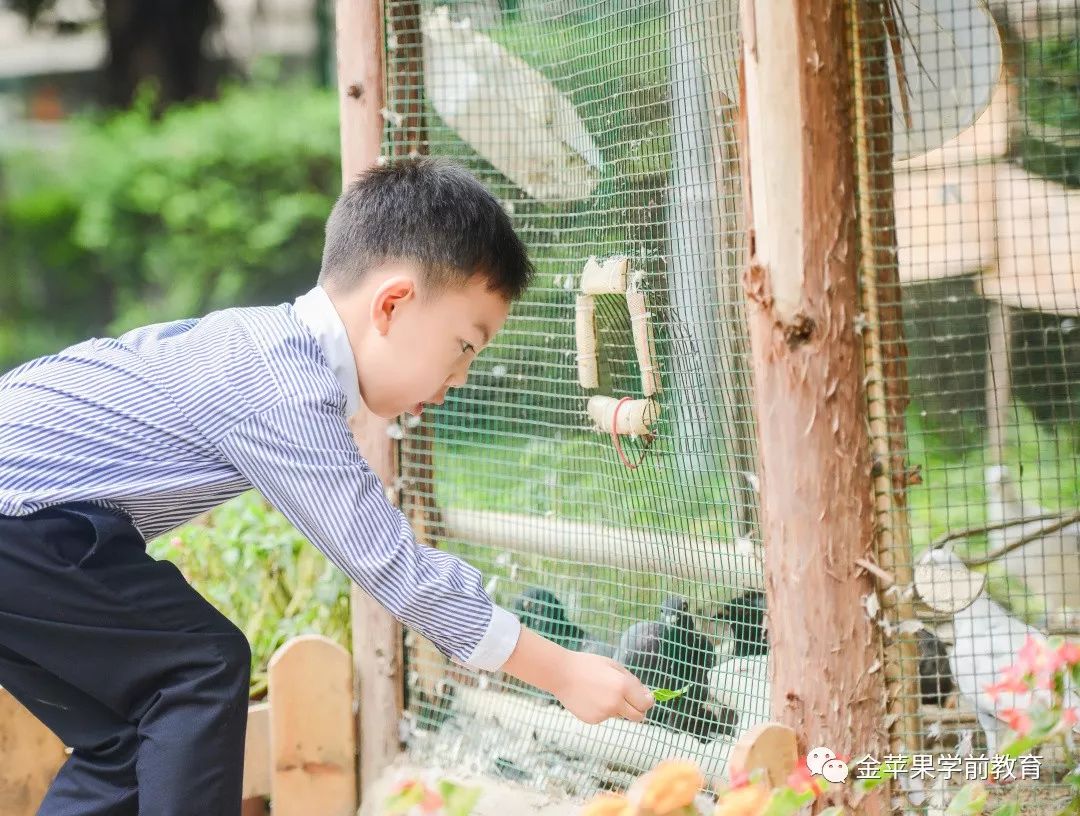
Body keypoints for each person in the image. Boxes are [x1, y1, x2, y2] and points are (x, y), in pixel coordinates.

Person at [0, 157, 654, 815]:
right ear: (392, 304)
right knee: (196, 669)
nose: (460, 378)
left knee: (124, 738)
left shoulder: (262, 347)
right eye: (464, 345)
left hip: (35, 526)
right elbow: (394, 567)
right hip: (19, 520)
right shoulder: (281, 384)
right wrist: (562, 672)